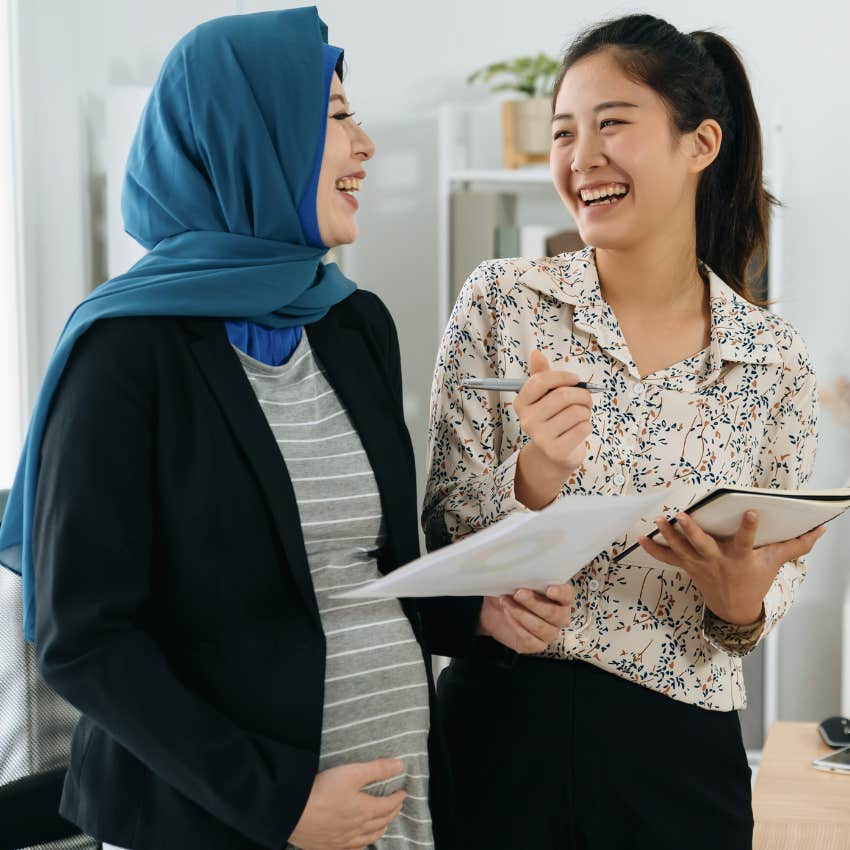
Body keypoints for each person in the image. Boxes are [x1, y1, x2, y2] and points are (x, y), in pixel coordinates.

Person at [0, 8, 578, 850]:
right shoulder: (126, 351)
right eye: (337, 116)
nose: (366, 145)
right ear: (250, 137)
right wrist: (277, 804)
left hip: (397, 807)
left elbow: (376, 571)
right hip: (220, 825)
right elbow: (83, 639)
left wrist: (478, 612)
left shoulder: (351, 323)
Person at [422, 13, 825, 850]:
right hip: (502, 730)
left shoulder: (772, 356)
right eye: (565, 133)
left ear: (700, 143)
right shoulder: (501, 301)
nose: (581, 159)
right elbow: (440, 530)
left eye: (612, 125)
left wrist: (742, 604)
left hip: (679, 747)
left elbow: (774, 566)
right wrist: (533, 472)